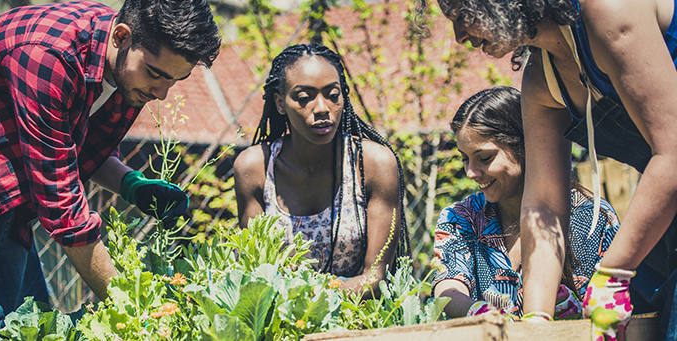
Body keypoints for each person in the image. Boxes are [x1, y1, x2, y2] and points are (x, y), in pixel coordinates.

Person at [0, 0, 220, 339]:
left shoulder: (122, 69)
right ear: (121, 36)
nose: (162, 93)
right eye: (155, 74)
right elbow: (63, 212)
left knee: (33, 331)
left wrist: (130, 183)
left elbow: (78, 147)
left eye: (176, 80)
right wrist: (135, 312)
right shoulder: (50, 55)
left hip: (6, 205)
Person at [436, 0, 677, 339]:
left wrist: (614, 272)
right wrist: (537, 322)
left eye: (463, 16)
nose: (459, 36)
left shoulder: (609, 10)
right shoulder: (541, 79)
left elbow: (672, 152)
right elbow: (544, 208)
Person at [233, 44, 409, 296]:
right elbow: (256, 270)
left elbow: (376, 278)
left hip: (358, 317)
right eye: (304, 98)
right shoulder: (255, 167)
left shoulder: (373, 164)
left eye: (333, 95)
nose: (322, 108)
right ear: (280, 103)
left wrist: (312, 301)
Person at [432, 86, 619, 320]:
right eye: (464, 158)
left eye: (484, 158)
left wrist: (582, 312)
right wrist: (475, 311)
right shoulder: (461, 218)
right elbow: (447, 288)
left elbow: (615, 302)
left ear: (524, 146)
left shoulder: (591, 217)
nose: (471, 172)